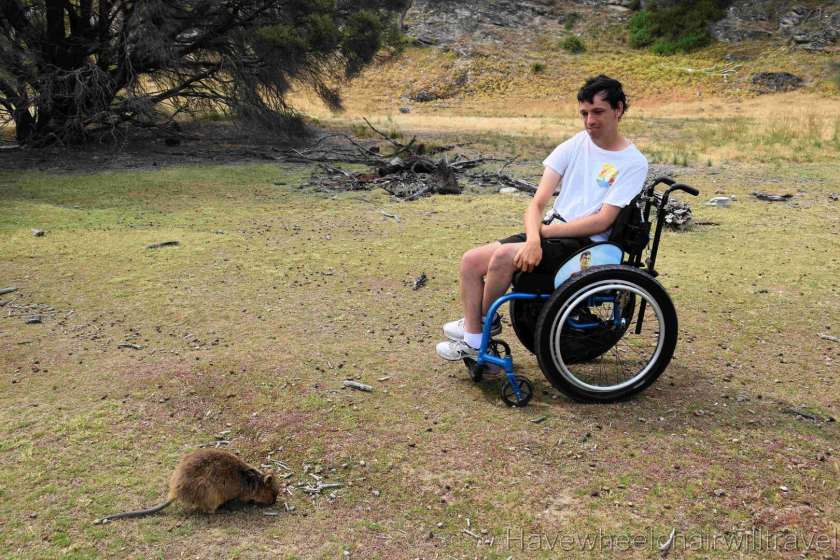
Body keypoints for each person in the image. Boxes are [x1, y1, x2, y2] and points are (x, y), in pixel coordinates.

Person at [436, 75, 649, 360]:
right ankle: (478, 333)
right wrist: (534, 238)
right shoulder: (575, 144)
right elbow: (536, 203)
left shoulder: (633, 162)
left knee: (503, 258)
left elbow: (602, 221)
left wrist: (541, 235)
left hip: (587, 246)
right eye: (584, 113)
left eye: (598, 112)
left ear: (618, 109)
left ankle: (476, 334)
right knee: (470, 261)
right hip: (552, 232)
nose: (590, 121)